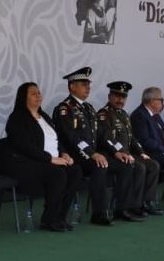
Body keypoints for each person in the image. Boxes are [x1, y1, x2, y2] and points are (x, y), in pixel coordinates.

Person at [53, 67, 138, 224]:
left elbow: (102, 135)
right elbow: (72, 138)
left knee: (125, 164)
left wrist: (116, 151)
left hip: (92, 155)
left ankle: (122, 209)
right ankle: (99, 213)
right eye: (83, 84)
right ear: (72, 87)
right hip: (75, 157)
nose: (88, 88)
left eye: (88, 84)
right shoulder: (64, 109)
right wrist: (92, 153)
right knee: (100, 166)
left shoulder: (89, 108)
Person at [3, 81, 80, 231]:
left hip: (51, 161)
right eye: (33, 93)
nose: (38, 96)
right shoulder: (17, 118)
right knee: (58, 173)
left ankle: (60, 217)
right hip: (27, 163)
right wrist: (50, 159)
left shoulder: (44, 116)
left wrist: (64, 153)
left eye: (39, 93)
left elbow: (56, 139)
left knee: (75, 171)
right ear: (23, 97)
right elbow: (25, 147)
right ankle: (49, 219)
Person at [96, 81, 160, 218]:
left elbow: (132, 138)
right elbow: (107, 138)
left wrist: (142, 152)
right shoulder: (104, 114)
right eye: (117, 96)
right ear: (109, 97)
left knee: (153, 165)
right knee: (138, 167)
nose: (120, 100)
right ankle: (127, 207)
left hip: (126, 154)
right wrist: (122, 152)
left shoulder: (124, 114)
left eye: (123, 97)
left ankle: (144, 202)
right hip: (112, 154)